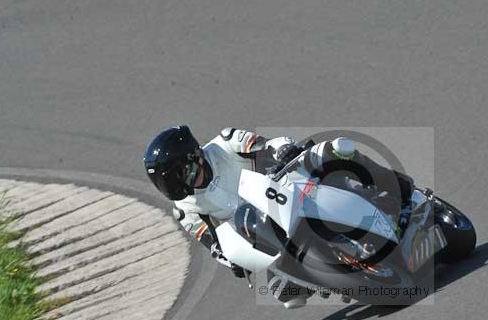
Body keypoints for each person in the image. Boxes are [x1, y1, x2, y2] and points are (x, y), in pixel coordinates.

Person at [143, 125, 413, 308]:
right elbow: (212, 245)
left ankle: (394, 188)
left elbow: (266, 146)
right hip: (257, 232)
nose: (173, 187)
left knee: (335, 149)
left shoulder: (225, 143)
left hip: (282, 185)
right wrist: (232, 261)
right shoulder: (184, 210)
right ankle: (334, 276)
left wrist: (283, 150)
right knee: (286, 294)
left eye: (175, 176)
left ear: (193, 158)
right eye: (165, 183)